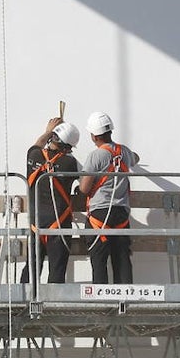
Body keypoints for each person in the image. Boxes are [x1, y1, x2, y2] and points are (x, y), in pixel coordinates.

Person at [77, 111, 140, 284]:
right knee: (122, 258)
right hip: (121, 213)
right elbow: (136, 158)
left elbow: (84, 188)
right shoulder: (124, 152)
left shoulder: (96, 156)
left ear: (93, 135)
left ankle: (101, 300)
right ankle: (125, 298)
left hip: (100, 213)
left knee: (99, 260)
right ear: (110, 131)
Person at [20, 117, 80, 286]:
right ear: (68, 147)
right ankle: (53, 304)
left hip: (36, 224)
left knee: (31, 266)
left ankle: (24, 301)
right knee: (57, 269)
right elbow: (84, 184)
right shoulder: (69, 163)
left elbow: (38, 144)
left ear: (53, 137)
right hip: (58, 225)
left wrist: (48, 130)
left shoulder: (33, 155)